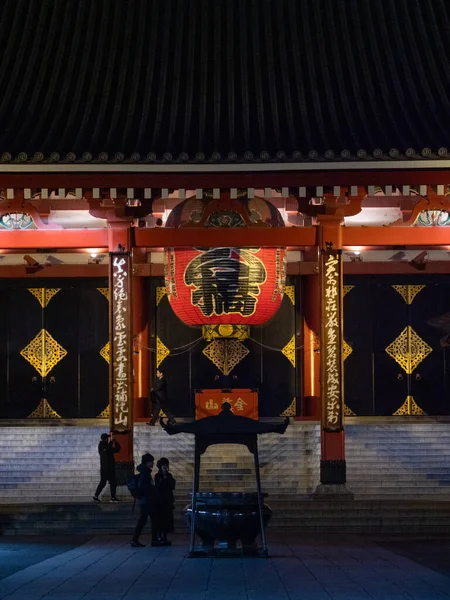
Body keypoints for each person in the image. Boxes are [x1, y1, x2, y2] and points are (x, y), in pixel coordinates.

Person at [131, 453, 160, 547]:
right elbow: (144, 487)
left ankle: (151, 540)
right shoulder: (144, 473)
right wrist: (152, 491)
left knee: (150, 520)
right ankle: (137, 540)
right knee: (147, 520)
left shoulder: (145, 472)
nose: (153, 463)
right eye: (151, 462)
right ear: (147, 462)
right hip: (147, 500)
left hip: (146, 500)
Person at [93, 432, 121, 503]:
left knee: (103, 482)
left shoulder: (101, 445)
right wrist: (115, 441)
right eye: (108, 438)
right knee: (113, 482)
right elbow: (116, 449)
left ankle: (95, 496)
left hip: (103, 468)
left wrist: (111, 441)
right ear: (106, 439)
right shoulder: (105, 446)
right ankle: (113, 497)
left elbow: (108, 447)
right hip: (108, 468)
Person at [154, 457, 176, 546]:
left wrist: (167, 478)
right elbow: (157, 487)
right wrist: (162, 479)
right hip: (160, 500)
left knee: (167, 519)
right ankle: (159, 536)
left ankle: (164, 536)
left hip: (168, 500)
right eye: (163, 465)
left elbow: (172, 486)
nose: (165, 467)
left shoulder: (169, 475)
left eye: (166, 465)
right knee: (160, 519)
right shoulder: (157, 476)